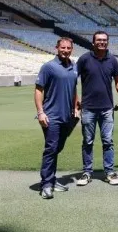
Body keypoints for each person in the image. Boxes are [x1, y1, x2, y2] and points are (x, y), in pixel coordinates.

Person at [76, 31, 118, 186]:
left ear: (107, 42)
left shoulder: (113, 60)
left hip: (107, 108)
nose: (102, 42)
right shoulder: (84, 59)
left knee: (108, 141)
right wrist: (76, 101)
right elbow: (72, 80)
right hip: (88, 108)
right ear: (93, 42)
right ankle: (87, 172)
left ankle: (109, 172)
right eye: (99, 40)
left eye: (104, 40)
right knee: (88, 141)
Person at [35, 37, 79, 199]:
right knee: (51, 149)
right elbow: (39, 90)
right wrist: (40, 112)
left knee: (57, 149)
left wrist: (75, 106)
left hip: (67, 117)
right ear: (57, 48)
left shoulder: (74, 67)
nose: (66, 50)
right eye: (63, 48)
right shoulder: (48, 67)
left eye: (68, 48)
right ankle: (46, 184)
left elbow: (73, 88)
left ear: (71, 49)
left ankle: (51, 179)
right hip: (51, 116)